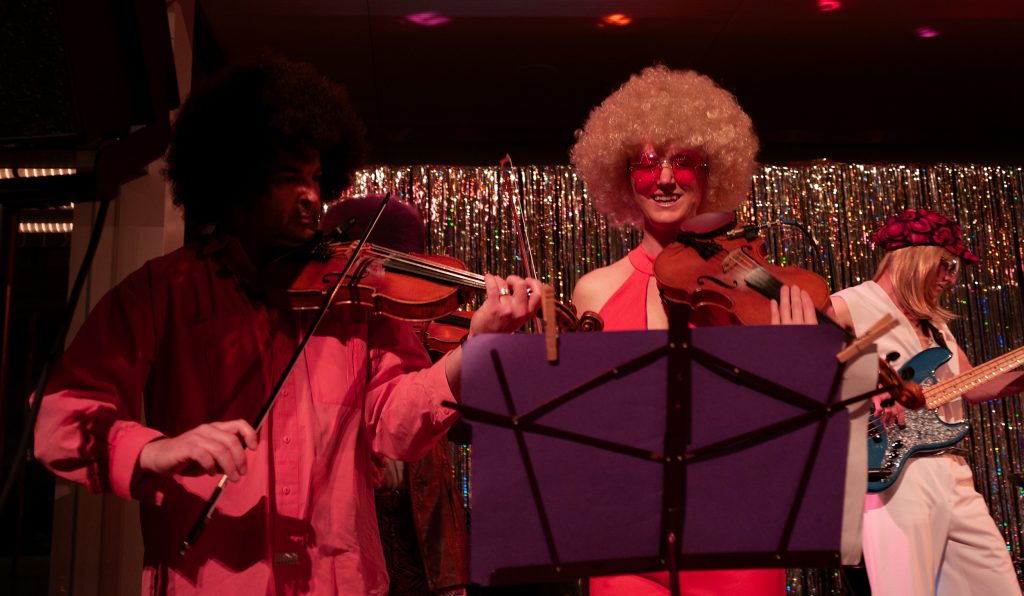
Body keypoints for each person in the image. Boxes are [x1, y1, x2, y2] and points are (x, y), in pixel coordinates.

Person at [33, 56, 540, 595]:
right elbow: (61, 420)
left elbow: (395, 428)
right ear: (234, 181)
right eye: (287, 179)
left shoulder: (354, 297)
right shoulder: (164, 292)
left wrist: (475, 347)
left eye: (316, 179)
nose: (312, 198)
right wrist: (154, 450)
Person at [570, 65, 814, 595]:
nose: (664, 179)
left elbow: (788, 429)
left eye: (682, 162)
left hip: (739, 537)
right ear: (622, 176)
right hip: (625, 541)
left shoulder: (754, 287)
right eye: (646, 164)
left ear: (710, 173)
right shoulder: (593, 292)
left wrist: (797, 362)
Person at [828, 208, 1024, 596]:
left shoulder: (936, 326)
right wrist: (864, 388)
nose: (951, 278)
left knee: (995, 583)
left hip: (953, 471)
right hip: (896, 474)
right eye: (946, 265)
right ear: (916, 258)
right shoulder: (851, 304)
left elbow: (971, 386)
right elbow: (799, 361)